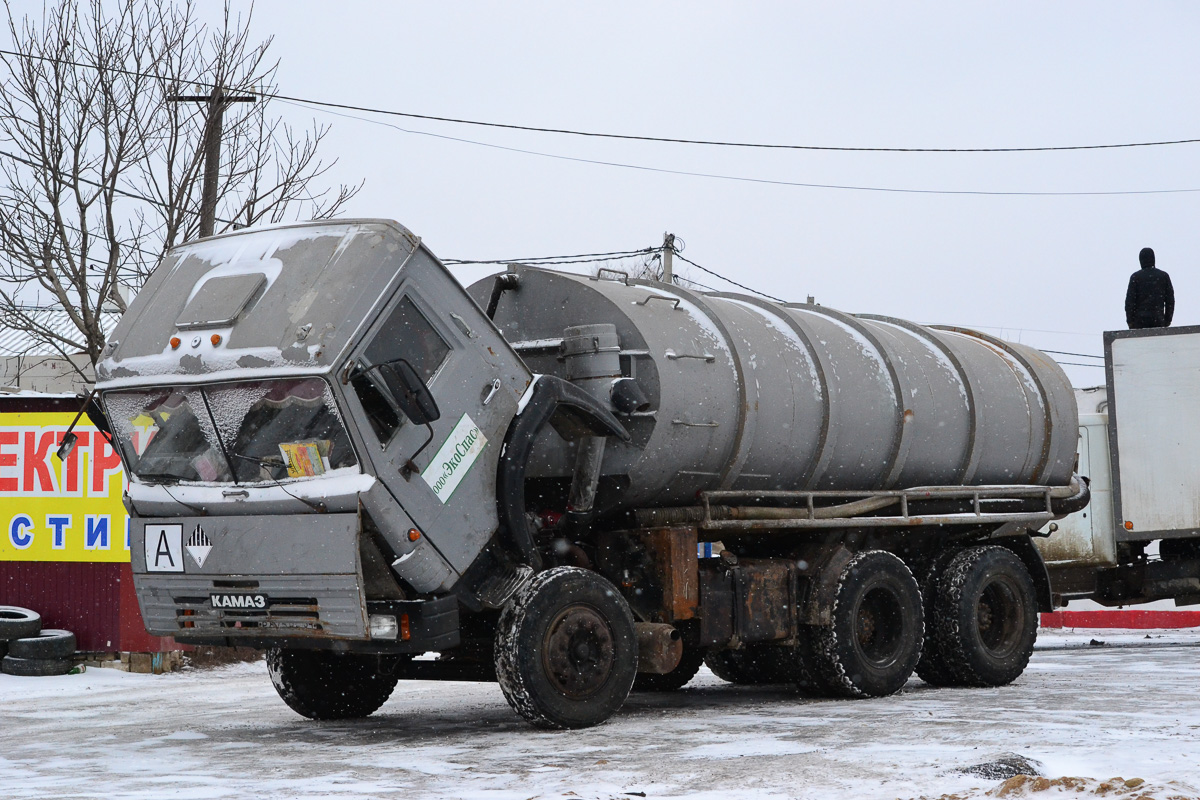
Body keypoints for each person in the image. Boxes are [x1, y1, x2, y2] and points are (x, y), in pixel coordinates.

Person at [1125, 247, 1174, 329]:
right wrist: (1167, 320)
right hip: (1158, 319)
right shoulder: (1163, 276)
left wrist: (1131, 322)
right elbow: (1170, 301)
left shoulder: (1135, 277)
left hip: (1139, 321)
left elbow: (1130, 303)